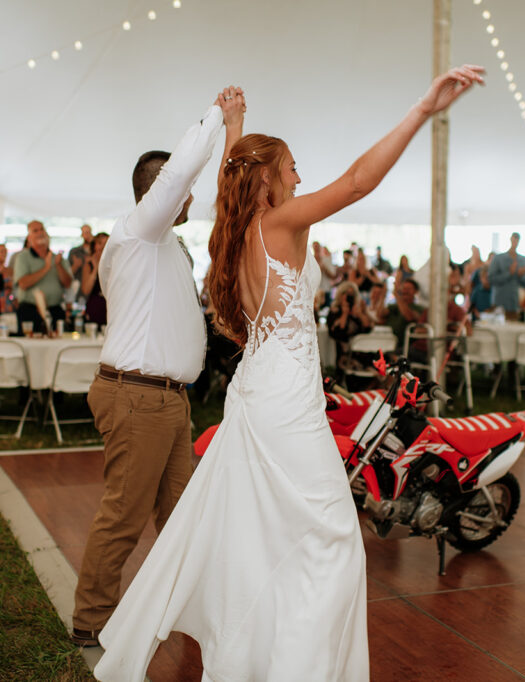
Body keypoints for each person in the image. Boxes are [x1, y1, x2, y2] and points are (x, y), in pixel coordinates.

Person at [94, 66, 485, 681]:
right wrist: (422, 110)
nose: (301, 176)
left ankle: (265, 658)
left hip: (261, 393)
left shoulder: (237, 227)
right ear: (271, 180)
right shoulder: (280, 224)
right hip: (282, 403)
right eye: (293, 167)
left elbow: (232, 179)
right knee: (331, 543)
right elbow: (357, 183)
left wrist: (236, 126)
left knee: (266, 538)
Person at [71, 87, 235, 652]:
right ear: (157, 190)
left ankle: (178, 608)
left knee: (178, 515)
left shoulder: (170, 246)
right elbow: (180, 171)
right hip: (137, 397)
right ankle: (90, 621)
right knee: (125, 514)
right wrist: (218, 117)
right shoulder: (137, 231)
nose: (188, 194)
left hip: (169, 399)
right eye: (178, 186)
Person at [13, 220, 72, 334]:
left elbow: (67, 284)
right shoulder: (23, 257)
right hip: (30, 310)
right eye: (35, 231)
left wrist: (58, 265)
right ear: (29, 238)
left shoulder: (57, 258)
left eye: (42, 230)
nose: (40, 233)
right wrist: (46, 267)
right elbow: (23, 283)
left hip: (55, 310)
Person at [487, 232, 525, 315]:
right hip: (500, 302)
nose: (515, 241)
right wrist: (509, 273)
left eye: (517, 239)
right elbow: (491, 279)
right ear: (510, 239)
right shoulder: (498, 258)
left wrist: (522, 275)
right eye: (514, 239)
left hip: (518, 303)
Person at [384, 278, 423, 351]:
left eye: (408, 289)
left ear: (416, 291)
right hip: (386, 342)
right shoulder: (393, 306)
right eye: (404, 288)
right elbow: (380, 315)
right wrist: (382, 295)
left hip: (405, 347)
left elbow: (408, 316)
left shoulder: (419, 308)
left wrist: (397, 295)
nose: (405, 291)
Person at [81, 232, 109, 326]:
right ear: (94, 246)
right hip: (95, 307)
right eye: (100, 243)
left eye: (106, 243)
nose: (103, 247)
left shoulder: (114, 265)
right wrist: (95, 268)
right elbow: (86, 290)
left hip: (110, 307)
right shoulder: (89, 266)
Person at [0, 243, 13, 313]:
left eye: (5, 251)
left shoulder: (9, 270)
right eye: (1, 251)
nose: (4, 254)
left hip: (9, 302)